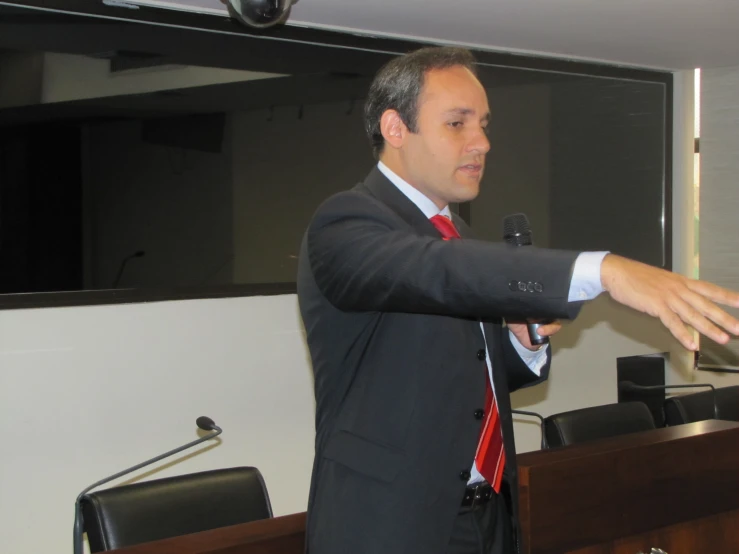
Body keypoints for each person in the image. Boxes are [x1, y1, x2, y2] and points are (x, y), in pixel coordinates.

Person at [296, 46, 739, 554]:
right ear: (396, 129)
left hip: (489, 518)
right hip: (388, 527)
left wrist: (523, 345)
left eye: (483, 124)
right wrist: (604, 270)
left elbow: (460, 377)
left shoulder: (456, 235)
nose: (482, 142)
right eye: (457, 124)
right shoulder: (347, 223)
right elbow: (435, 273)